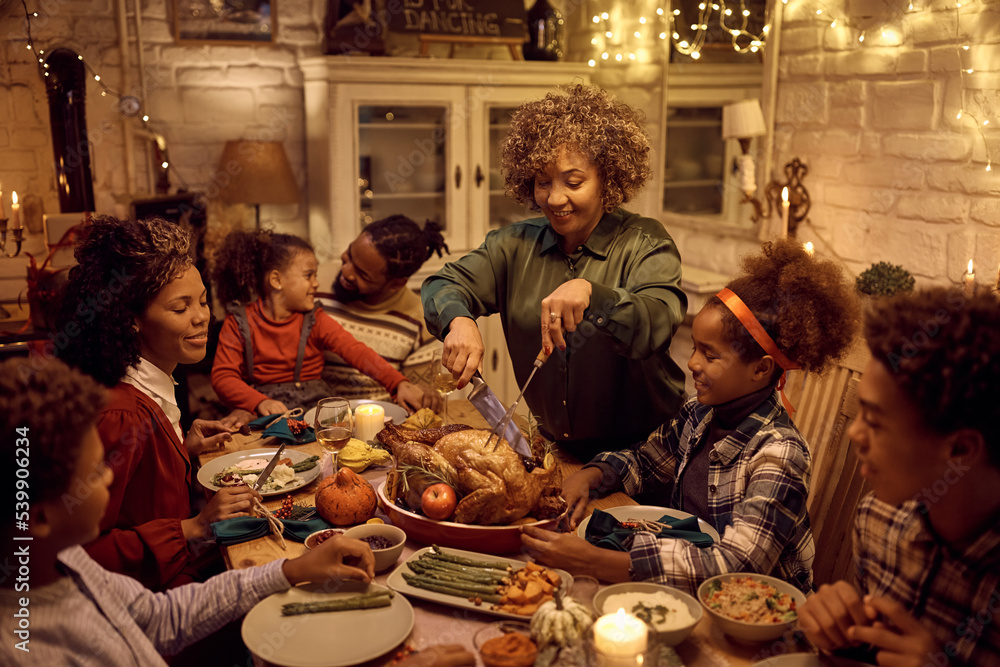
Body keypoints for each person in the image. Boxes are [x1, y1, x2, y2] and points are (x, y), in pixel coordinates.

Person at [521, 238, 861, 595]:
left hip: (757, 611)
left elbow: (737, 565)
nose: (693, 363)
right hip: (687, 585)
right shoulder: (699, 414)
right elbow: (645, 461)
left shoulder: (779, 454)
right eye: (695, 348)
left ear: (761, 370)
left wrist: (595, 561)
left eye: (710, 356)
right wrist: (591, 475)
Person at [0, 356, 379, 666]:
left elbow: (160, 618)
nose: (106, 482)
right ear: (39, 517)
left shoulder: (65, 566)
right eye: (97, 472)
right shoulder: (30, 651)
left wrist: (290, 569)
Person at [422, 84, 688, 461]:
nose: (555, 198)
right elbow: (443, 283)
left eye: (573, 181)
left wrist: (594, 294)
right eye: (543, 181)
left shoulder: (645, 242)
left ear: (608, 179)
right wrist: (458, 321)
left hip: (648, 454)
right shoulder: (513, 246)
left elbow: (657, 322)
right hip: (554, 450)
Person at [798, 288, 1000, 665]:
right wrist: (846, 636)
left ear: (959, 449)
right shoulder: (877, 520)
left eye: (874, 420)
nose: (854, 433)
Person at [55, 215, 257, 591]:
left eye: (202, 301)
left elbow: (139, 489)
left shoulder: (149, 386)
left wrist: (179, 447)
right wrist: (193, 526)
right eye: (180, 309)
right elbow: (77, 554)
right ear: (130, 319)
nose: (201, 318)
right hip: (152, 602)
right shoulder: (121, 415)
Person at [210, 229, 435, 416]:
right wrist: (258, 402)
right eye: (309, 275)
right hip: (262, 413)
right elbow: (223, 377)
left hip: (314, 411)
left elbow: (357, 352)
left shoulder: (315, 320)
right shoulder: (238, 323)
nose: (317, 284)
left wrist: (398, 383)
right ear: (277, 280)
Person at [317, 215, 446, 410]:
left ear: (396, 284)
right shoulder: (313, 284)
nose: (346, 271)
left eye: (362, 274)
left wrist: (426, 394)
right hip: (313, 417)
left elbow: (417, 392)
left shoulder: (420, 321)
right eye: (349, 255)